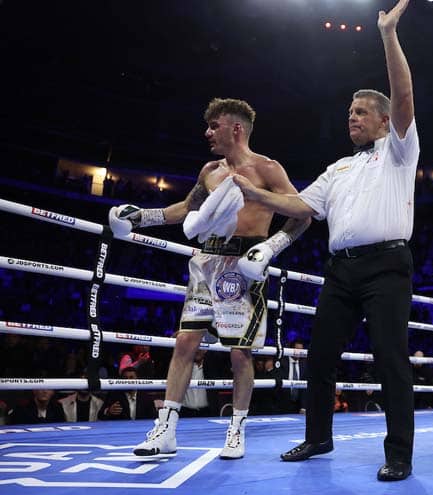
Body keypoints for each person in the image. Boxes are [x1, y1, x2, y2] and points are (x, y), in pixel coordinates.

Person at [233, 0, 418, 481]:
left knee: (390, 358)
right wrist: (253, 192)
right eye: (349, 112)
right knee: (319, 356)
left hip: (386, 266)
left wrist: (388, 34)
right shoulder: (337, 168)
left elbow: (403, 97)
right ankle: (318, 436)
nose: (352, 118)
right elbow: (301, 207)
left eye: (360, 112)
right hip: (341, 271)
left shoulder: (399, 151)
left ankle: (399, 452)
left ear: (382, 120)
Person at [108, 97, 310, 459]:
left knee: (239, 354)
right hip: (208, 260)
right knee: (185, 343)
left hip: (244, 263)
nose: (207, 133)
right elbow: (186, 210)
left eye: (213, 125)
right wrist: (142, 217)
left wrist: (272, 247)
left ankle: (236, 431)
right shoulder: (210, 171)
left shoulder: (267, 168)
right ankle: (166, 430)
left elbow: (302, 213)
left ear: (236, 128)